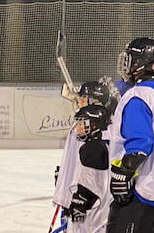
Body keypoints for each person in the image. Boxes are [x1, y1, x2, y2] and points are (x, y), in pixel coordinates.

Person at [107, 37, 154, 233]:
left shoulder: (138, 95)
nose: (126, 64)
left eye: (130, 59)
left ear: (140, 63)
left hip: (141, 193)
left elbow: (140, 145)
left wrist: (123, 174)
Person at [55, 81, 116, 227]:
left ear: (95, 100)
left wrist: (80, 195)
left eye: (83, 98)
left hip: (89, 200)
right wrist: (64, 176)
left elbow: (94, 172)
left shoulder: (102, 130)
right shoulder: (83, 123)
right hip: (74, 194)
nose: (79, 102)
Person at [68, 104, 114, 233]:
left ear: (94, 125)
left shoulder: (91, 148)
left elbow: (90, 181)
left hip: (93, 212)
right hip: (103, 211)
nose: (78, 127)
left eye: (83, 123)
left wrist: (81, 198)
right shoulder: (103, 144)